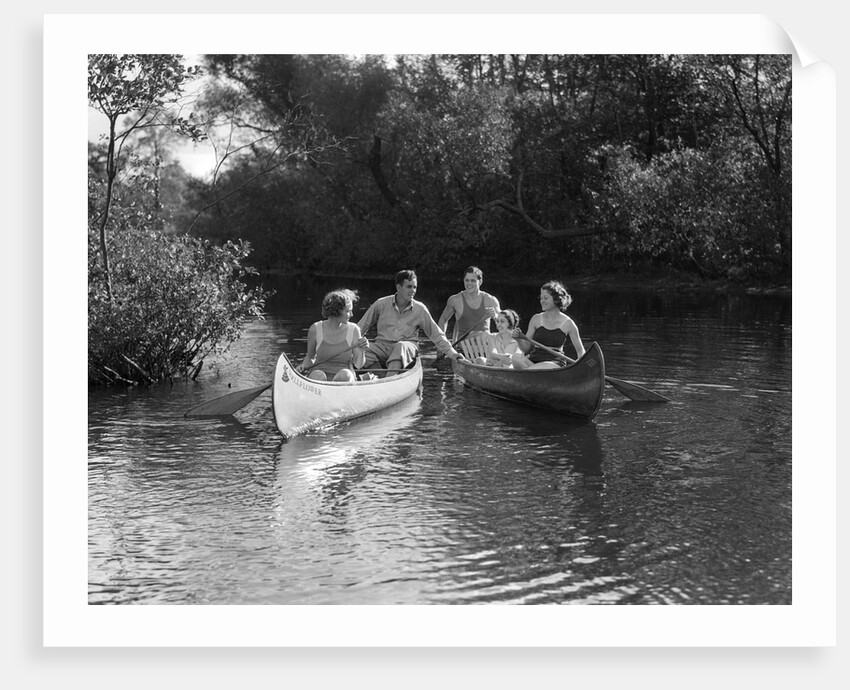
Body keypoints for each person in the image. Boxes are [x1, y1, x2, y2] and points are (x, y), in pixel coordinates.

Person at [357, 269, 464, 370]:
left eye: (415, 287)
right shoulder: (381, 304)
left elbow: (436, 334)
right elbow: (360, 328)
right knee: (359, 350)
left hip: (406, 347)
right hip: (382, 347)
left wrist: (453, 354)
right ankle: (379, 377)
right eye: (409, 287)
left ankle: (390, 377)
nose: (413, 291)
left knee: (400, 347)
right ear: (399, 287)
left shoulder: (420, 309)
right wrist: (348, 346)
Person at [296, 289, 368, 382]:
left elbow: (358, 365)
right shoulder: (315, 329)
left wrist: (362, 350)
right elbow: (310, 358)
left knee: (345, 374)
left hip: (344, 378)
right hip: (319, 376)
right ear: (337, 311)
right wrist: (301, 368)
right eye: (348, 311)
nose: (352, 314)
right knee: (318, 375)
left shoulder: (354, 330)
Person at [511, 281, 585, 370]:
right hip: (533, 360)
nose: (542, 301)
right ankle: (531, 374)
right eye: (541, 298)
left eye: (545, 298)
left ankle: (527, 374)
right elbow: (526, 349)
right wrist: (519, 340)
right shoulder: (536, 319)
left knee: (531, 369)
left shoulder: (568, 323)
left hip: (554, 363)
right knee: (515, 358)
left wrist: (581, 366)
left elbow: (580, 351)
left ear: (557, 299)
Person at [437, 266, 502, 342]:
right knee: (481, 335)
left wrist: (495, 317)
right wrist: (441, 341)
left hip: (486, 344)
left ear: (480, 282)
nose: (469, 283)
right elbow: (443, 319)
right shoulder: (455, 300)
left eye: (473, 281)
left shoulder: (490, 300)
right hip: (464, 345)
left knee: (486, 336)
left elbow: (504, 322)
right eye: (466, 280)